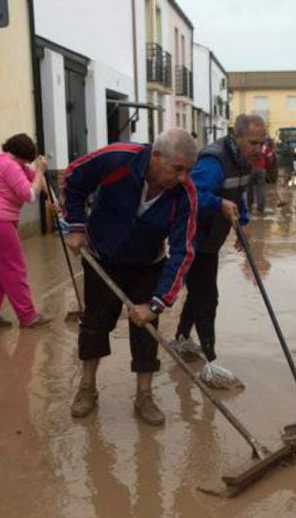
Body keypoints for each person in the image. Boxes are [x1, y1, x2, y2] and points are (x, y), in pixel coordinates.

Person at [61, 129, 199, 425]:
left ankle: (144, 395)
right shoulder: (117, 159)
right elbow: (73, 178)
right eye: (178, 169)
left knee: (146, 328)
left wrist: (157, 303)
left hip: (148, 263)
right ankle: (87, 388)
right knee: (95, 324)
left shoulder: (184, 195)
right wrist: (75, 225)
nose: (184, 178)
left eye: (189, 171)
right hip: (102, 257)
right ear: (157, 156)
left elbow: (182, 252)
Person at [173, 114, 265, 388]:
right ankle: (211, 362)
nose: (258, 149)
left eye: (262, 143)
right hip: (192, 238)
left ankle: (180, 340)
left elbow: (239, 198)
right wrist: (219, 204)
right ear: (236, 136)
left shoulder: (244, 161)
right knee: (207, 297)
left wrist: (242, 226)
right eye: (253, 142)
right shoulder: (215, 160)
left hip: (211, 238)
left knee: (198, 292)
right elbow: (191, 195)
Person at [0, 133, 52, 329]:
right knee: (14, 266)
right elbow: (30, 195)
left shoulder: (7, 162)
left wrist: (54, 199)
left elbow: (36, 181)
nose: (28, 164)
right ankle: (28, 316)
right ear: (23, 155)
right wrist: (40, 170)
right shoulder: (10, 166)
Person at [247, 133, 270, 214]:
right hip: (261, 169)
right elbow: (269, 157)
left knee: (249, 189)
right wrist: (266, 167)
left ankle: (249, 207)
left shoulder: (249, 145)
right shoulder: (264, 147)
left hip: (250, 169)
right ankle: (260, 209)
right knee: (261, 189)